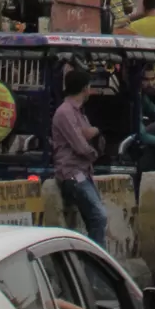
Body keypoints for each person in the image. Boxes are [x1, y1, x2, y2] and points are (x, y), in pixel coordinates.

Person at [52, 66, 107, 247]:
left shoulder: (78, 112)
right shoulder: (65, 112)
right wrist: (95, 152)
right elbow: (81, 146)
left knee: (95, 219)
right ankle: (95, 271)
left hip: (84, 172)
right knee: (99, 216)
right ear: (85, 88)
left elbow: (87, 133)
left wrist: (93, 133)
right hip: (72, 173)